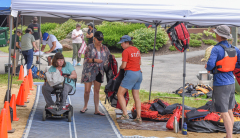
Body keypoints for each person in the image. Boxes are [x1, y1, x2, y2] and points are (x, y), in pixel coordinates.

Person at [205, 25, 240, 138]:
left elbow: (210, 65)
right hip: (231, 82)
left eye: (216, 33)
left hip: (221, 83)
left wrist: (208, 66)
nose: (215, 34)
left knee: (224, 112)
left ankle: (229, 136)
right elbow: (237, 63)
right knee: (229, 110)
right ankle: (229, 135)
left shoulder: (216, 49)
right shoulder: (234, 49)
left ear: (219, 35)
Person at [81, 31, 113, 116]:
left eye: (101, 39)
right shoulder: (89, 47)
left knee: (97, 91)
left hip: (100, 71)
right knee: (87, 90)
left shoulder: (105, 48)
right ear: (94, 38)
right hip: (89, 71)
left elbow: (109, 57)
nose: (100, 41)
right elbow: (86, 59)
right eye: (98, 39)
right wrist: (95, 60)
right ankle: (85, 106)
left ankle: (96, 110)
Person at [116, 35, 142, 122]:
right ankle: (138, 117)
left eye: (122, 43)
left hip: (131, 74)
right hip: (139, 74)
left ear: (127, 42)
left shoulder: (126, 51)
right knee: (136, 97)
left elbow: (124, 66)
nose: (121, 45)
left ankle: (125, 114)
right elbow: (140, 63)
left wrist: (120, 67)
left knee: (120, 94)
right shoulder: (136, 49)